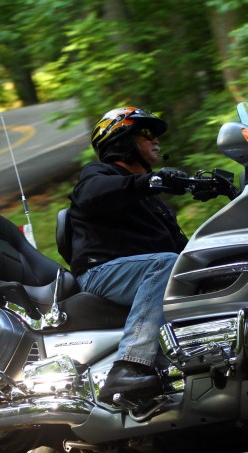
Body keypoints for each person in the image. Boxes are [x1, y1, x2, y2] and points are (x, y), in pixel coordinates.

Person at [66, 106, 189, 403]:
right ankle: (129, 366)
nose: (156, 141)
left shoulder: (154, 202)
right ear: (121, 140)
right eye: (146, 134)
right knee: (166, 264)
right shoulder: (99, 175)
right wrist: (149, 181)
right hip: (101, 271)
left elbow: (182, 248)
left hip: (142, 273)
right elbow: (92, 194)